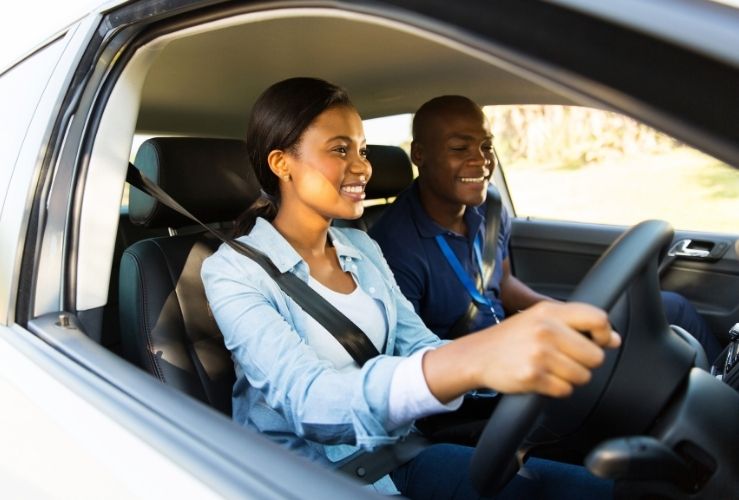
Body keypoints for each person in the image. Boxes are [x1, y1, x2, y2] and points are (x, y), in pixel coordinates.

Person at [202, 77, 620, 499]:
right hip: (313, 478)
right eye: (340, 149)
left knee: (594, 491)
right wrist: (470, 361)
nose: (363, 166)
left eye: (362, 150)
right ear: (282, 163)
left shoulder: (361, 247)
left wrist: (511, 362)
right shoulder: (233, 272)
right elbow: (311, 402)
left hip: (400, 453)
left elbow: (416, 341)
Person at [369, 95, 722, 363]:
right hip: (474, 372)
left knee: (671, 307)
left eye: (486, 145)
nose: (481, 159)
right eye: (460, 148)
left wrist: (555, 311)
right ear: (419, 155)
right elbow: (413, 354)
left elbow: (502, 284)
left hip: (516, 336)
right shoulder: (394, 246)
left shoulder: (490, 206)